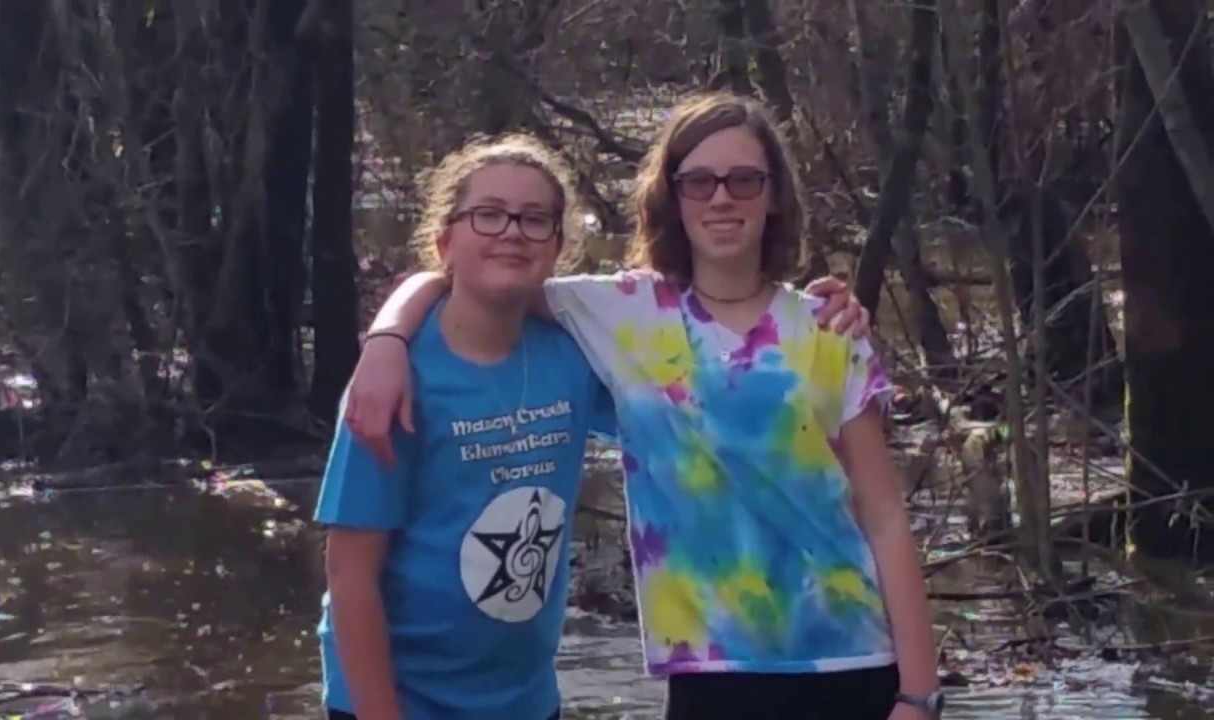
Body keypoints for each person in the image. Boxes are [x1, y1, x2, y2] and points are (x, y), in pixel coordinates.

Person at [343, 92, 942, 720]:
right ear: (671, 197)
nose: (721, 198)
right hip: (706, 674)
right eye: (698, 181)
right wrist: (387, 339)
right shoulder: (622, 312)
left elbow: (884, 517)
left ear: (773, 196)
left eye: (744, 180)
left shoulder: (828, 328)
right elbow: (474, 272)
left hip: (853, 665)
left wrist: (918, 694)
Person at [314, 133, 619, 720]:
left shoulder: (576, 355)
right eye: (488, 215)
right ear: (444, 240)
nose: (511, 231)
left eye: (535, 220)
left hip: (525, 702)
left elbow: (689, 365)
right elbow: (350, 575)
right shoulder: (394, 384)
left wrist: (807, 317)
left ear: (558, 249)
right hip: (401, 702)